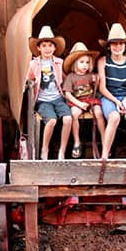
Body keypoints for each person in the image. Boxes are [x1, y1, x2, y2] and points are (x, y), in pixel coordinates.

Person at [27, 25, 72, 160]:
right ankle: (44, 149)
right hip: (43, 100)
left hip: (58, 98)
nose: (47, 49)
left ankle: (62, 151)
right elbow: (28, 79)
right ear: (39, 48)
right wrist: (30, 84)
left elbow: (65, 79)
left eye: (50, 46)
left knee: (68, 119)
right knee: (51, 120)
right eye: (44, 46)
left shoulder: (59, 62)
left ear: (55, 48)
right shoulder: (34, 64)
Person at [96, 23, 126, 159]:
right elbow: (102, 88)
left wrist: (125, 101)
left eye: (121, 44)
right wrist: (116, 101)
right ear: (109, 46)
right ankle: (105, 156)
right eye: (114, 44)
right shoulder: (103, 61)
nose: (117, 47)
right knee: (114, 117)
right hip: (109, 97)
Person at [62, 42, 106, 158]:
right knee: (74, 114)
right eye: (81, 62)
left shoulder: (90, 75)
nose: (85, 65)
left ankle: (104, 138)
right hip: (77, 101)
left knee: (98, 111)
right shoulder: (71, 77)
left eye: (87, 62)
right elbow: (67, 94)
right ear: (74, 63)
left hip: (90, 100)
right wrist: (79, 104)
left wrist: (96, 80)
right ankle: (77, 141)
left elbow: (97, 87)